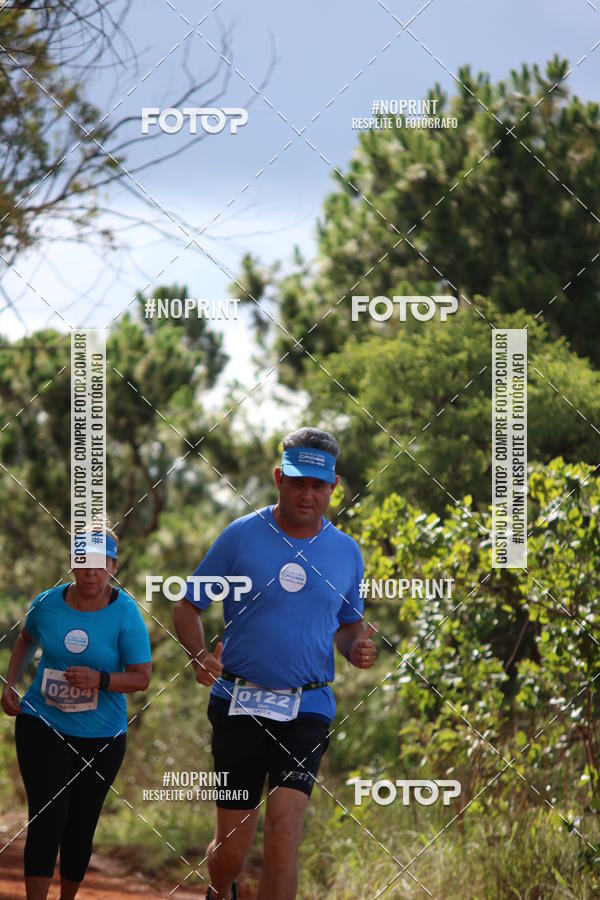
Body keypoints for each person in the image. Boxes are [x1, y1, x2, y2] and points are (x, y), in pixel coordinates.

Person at [173, 427, 378, 900]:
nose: (308, 495)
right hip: (238, 701)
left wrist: (356, 649)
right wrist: (199, 655)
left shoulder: (346, 551)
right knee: (232, 850)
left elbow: (349, 626)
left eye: (318, 485)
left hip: (307, 707)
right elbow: (187, 606)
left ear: (334, 486)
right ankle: (220, 890)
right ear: (278, 478)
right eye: (298, 482)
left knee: (284, 836)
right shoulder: (241, 536)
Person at [1, 527, 152, 900]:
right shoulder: (47, 604)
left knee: (80, 827)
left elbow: (141, 678)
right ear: (71, 562)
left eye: (101, 564)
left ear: (113, 567)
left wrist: (100, 680)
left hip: (102, 736)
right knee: (47, 816)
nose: (91, 572)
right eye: (83, 562)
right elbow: (27, 638)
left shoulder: (126, 613)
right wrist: (10, 683)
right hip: (43, 722)